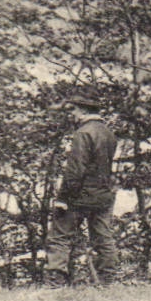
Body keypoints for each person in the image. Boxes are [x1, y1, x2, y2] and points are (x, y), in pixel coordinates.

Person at [44, 92, 119, 287]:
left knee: (60, 236)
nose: (72, 115)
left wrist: (63, 198)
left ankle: (56, 283)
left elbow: (76, 169)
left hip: (79, 196)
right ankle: (108, 281)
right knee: (103, 236)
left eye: (74, 110)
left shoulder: (83, 133)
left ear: (84, 111)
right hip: (103, 194)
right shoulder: (108, 133)